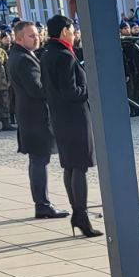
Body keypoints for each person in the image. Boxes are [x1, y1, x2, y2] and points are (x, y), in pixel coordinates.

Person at [40, 14, 98, 237]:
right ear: (64, 31)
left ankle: (78, 214)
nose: (75, 35)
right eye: (73, 31)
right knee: (79, 166)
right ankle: (81, 215)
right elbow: (71, 91)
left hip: (59, 116)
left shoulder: (48, 53)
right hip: (74, 116)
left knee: (70, 166)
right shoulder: (65, 56)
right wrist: (90, 88)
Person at [8, 20, 66, 219]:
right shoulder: (23, 59)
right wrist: (56, 86)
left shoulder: (21, 55)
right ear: (19, 38)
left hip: (30, 116)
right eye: (31, 36)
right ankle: (42, 205)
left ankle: (42, 203)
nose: (37, 38)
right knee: (39, 161)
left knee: (39, 161)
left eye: (37, 34)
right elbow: (37, 89)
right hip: (35, 118)